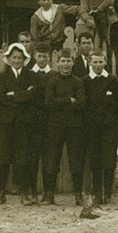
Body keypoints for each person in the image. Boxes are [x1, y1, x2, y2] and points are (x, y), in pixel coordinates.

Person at [0, 42, 38, 205]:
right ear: (9, 59)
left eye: (20, 58)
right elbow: (1, 97)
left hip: (24, 122)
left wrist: (15, 95)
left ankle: (23, 193)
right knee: (4, 157)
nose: (17, 61)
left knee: (23, 158)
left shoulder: (31, 76)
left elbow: (33, 95)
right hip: (7, 122)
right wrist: (22, 97)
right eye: (14, 57)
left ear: (24, 59)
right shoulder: (2, 76)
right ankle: (1, 193)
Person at [43, 50, 86, 205]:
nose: (66, 64)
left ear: (72, 63)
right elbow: (49, 103)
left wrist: (60, 104)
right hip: (55, 126)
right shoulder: (52, 82)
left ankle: (78, 195)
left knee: (76, 160)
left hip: (74, 126)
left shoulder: (78, 82)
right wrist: (69, 100)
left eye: (69, 61)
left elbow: (81, 104)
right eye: (63, 61)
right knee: (53, 159)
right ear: (58, 62)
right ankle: (49, 195)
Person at [82, 49, 118, 203]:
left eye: (100, 62)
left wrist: (111, 120)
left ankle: (108, 192)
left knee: (109, 159)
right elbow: (84, 105)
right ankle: (97, 192)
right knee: (95, 159)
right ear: (90, 63)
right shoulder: (85, 81)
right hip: (92, 127)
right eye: (95, 62)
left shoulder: (112, 80)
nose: (98, 65)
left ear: (105, 62)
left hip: (109, 127)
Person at [17, 41, 52, 200]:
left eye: (45, 56)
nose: (42, 59)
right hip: (30, 122)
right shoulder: (27, 73)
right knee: (30, 158)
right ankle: (31, 191)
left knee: (47, 158)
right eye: (40, 56)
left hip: (49, 122)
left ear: (49, 57)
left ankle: (46, 192)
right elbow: (21, 96)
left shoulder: (54, 75)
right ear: (34, 56)